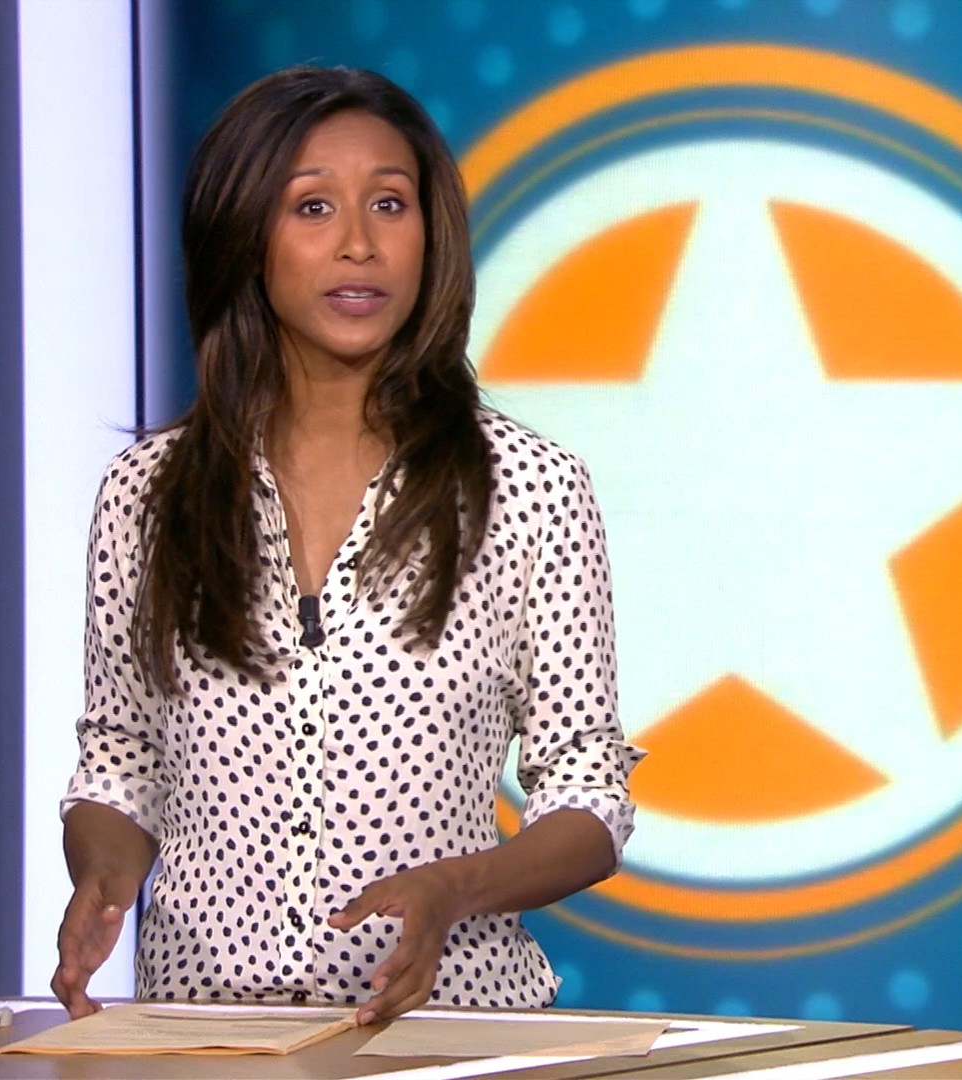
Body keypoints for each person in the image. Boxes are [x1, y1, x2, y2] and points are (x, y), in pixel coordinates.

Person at [50, 65, 645, 1028]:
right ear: (245, 235)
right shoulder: (148, 494)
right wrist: (102, 880)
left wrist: (456, 886)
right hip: (206, 1033)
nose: (359, 244)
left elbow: (588, 792)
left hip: (446, 1031)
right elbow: (121, 762)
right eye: (314, 207)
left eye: (390, 204)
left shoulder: (530, 489)